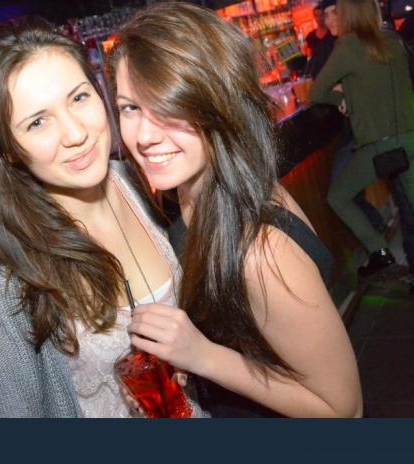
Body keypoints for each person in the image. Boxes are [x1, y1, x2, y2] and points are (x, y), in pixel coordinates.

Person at [107, 2, 362, 418]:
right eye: (130, 107)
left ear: (218, 103)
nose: (145, 135)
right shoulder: (194, 194)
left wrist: (202, 355)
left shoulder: (260, 249)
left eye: (169, 106)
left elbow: (343, 409)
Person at [0, 16, 205, 417]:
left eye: (78, 98)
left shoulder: (145, 183)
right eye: (38, 122)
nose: (75, 134)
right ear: (8, 149)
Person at [309, 0, 414, 298]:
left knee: (338, 196)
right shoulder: (392, 39)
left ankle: (379, 250)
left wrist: (341, 98)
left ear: (348, 14)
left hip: (383, 144)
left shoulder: (347, 47)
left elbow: (316, 91)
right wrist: (352, 92)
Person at [304, 2, 336, 79]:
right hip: (317, 71)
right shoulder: (310, 36)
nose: (319, 18)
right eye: (316, 15)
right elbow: (309, 56)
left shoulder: (333, 32)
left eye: (321, 15)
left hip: (332, 68)